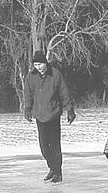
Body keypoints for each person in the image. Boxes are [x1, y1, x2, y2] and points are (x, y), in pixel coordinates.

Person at [23, 50, 75, 183]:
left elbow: (64, 93)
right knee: (44, 146)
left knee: (55, 145)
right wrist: (27, 109)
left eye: (40, 64)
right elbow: (28, 95)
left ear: (45, 63)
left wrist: (69, 109)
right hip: (40, 115)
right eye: (36, 64)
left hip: (53, 113)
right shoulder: (30, 77)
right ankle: (52, 168)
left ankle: (57, 172)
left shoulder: (55, 75)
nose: (38, 67)